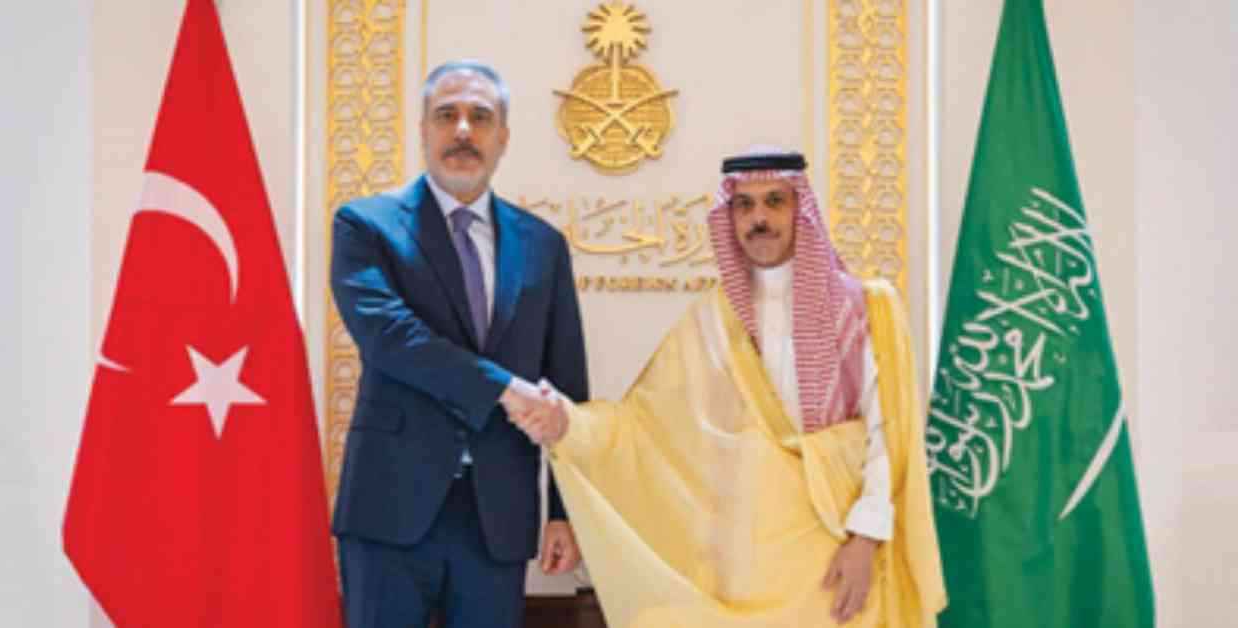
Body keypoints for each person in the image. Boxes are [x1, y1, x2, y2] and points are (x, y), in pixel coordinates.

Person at [513, 148, 947, 627]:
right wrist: (567, 423)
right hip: (745, 564)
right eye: (744, 205)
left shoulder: (866, 307)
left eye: (775, 201)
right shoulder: (714, 319)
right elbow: (642, 427)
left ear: (800, 209)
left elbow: (888, 436)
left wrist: (865, 539)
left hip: (836, 555)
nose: (759, 218)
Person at [329, 60, 587, 628]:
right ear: (423, 130)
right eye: (447, 115)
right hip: (389, 508)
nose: (463, 130)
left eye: (480, 117)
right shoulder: (365, 226)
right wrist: (505, 389)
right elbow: (391, 338)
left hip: (497, 517)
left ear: (503, 138)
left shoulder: (543, 245)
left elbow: (567, 385)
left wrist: (565, 512)